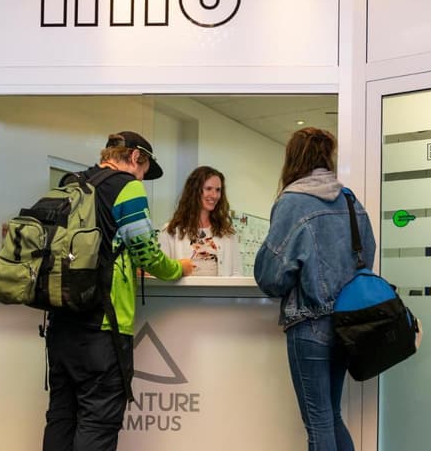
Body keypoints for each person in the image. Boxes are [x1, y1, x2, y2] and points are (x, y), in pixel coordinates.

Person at [42, 131, 194, 451]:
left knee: (61, 417)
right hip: (103, 328)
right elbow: (147, 253)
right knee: (98, 422)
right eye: (144, 169)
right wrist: (178, 268)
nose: (142, 178)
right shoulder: (128, 187)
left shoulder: (73, 183)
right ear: (136, 158)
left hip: (61, 323)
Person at [253, 127, 376, 451]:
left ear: (293, 158)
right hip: (348, 324)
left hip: (310, 324)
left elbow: (271, 277)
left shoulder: (293, 201)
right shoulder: (350, 200)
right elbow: (367, 256)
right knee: (332, 417)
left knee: (319, 424)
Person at [159, 166, 242, 276]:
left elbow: (237, 273)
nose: (214, 195)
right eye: (208, 189)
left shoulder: (227, 233)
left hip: (219, 293)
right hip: (183, 293)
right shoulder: (170, 231)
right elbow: (162, 273)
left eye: (218, 190)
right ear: (194, 191)